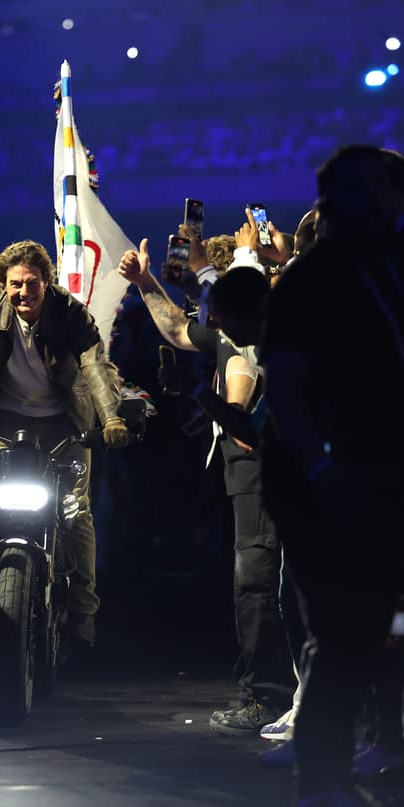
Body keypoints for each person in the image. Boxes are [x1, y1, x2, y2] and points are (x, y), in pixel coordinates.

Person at [260, 146, 404, 807]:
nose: (394, 206)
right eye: (380, 195)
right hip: (325, 483)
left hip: (381, 473)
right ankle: (322, 793)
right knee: (341, 632)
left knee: (365, 631)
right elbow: (288, 385)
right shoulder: (313, 279)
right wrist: (324, 471)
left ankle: (331, 786)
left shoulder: (385, 270)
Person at [117, 239, 294, 735]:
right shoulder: (233, 335)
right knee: (261, 587)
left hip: (263, 481)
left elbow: (244, 425)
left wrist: (192, 390)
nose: (208, 322)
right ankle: (280, 694)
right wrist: (146, 283)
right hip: (250, 482)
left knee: (258, 587)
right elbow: (176, 328)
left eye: (215, 313)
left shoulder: (251, 350)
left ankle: (269, 697)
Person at [0, 240, 130, 647]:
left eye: (32, 283)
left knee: (78, 511)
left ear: (46, 281)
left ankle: (83, 611)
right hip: (3, 421)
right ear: (3, 284)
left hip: (64, 423)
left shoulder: (70, 313)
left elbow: (94, 363)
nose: (24, 292)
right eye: (15, 284)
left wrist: (110, 418)